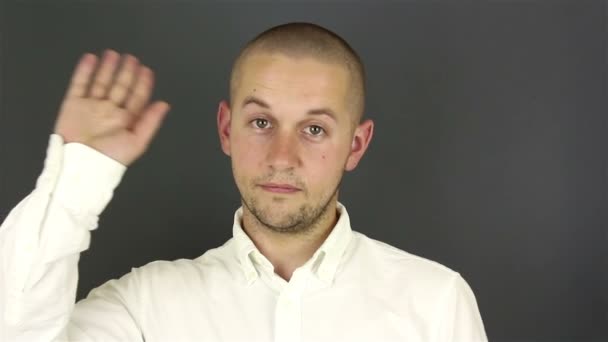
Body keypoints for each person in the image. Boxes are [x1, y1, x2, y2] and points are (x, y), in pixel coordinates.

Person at [0, 22, 487, 341]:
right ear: (226, 129)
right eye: (261, 122)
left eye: (314, 129)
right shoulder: (146, 306)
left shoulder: (436, 303)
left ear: (355, 145)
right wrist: (74, 181)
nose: (282, 156)